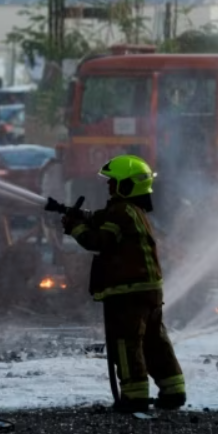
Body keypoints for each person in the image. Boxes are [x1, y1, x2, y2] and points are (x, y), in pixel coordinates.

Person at [60, 155, 186, 413]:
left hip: (128, 293)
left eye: (113, 182)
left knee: (127, 344)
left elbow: (98, 242)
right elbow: (100, 218)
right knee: (155, 342)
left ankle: (134, 397)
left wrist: (75, 228)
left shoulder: (120, 212)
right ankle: (173, 391)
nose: (108, 186)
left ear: (126, 185)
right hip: (149, 290)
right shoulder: (134, 211)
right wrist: (79, 215)